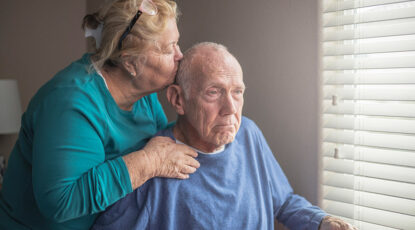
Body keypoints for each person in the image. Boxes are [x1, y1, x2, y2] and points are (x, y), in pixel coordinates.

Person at [92, 42, 356, 230]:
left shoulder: (248, 134)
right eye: (214, 92)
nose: (231, 109)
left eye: (237, 92)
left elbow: (283, 201)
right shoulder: (153, 162)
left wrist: (321, 222)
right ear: (177, 99)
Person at [0, 0, 201, 229]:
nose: (180, 56)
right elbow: (61, 203)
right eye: (169, 48)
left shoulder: (144, 95)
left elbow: (164, 147)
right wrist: (148, 161)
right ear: (130, 63)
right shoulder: (72, 102)